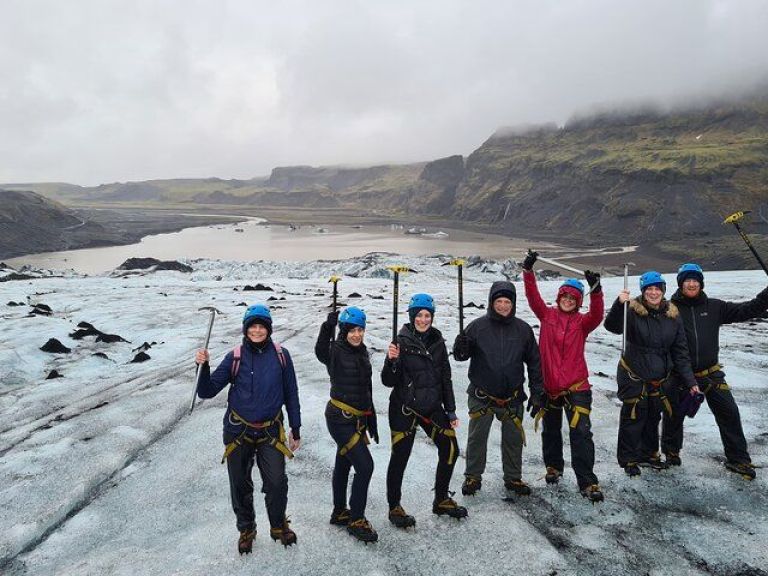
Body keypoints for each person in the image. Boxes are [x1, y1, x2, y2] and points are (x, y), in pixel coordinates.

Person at [195, 304, 301, 554]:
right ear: (245, 329)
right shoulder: (235, 356)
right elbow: (206, 391)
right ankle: (247, 529)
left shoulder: (282, 356)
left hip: (270, 431)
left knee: (276, 482)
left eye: (261, 326)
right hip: (238, 431)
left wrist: (295, 427)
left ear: (268, 329)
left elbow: (292, 394)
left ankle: (278, 525)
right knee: (240, 484)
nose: (256, 330)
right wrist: (203, 367)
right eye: (252, 326)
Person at [661, 263, 768, 479]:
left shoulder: (715, 307)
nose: (691, 284)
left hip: (711, 373)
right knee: (673, 415)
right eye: (687, 280)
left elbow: (748, 309)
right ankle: (671, 452)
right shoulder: (669, 309)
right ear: (680, 284)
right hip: (680, 374)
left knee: (729, 413)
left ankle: (738, 460)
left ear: (701, 283)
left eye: (695, 280)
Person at [521, 251, 605, 502]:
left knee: (581, 433)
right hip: (549, 388)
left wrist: (596, 290)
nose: (568, 300)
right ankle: (554, 467)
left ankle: (587, 482)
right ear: (559, 297)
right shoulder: (546, 315)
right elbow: (532, 295)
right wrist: (528, 270)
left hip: (576, 388)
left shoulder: (583, 323)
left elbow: (598, 315)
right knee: (551, 431)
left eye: (573, 298)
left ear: (579, 301)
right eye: (565, 296)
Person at [382, 293, 467, 528]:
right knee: (400, 457)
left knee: (450, 448)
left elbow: (445, 378)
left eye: (427, 315)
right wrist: (391, 361)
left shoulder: (438, 342)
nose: (423, 319)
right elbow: (388, 381)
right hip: (404, 408)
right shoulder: (400, 342)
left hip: (432, 407)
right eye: (419, 315)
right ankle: (394, 507)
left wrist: (450, 410)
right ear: (411, 316)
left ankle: (441, 499)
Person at [453, 280, 545, 497]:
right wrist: (460, 346)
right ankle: (473, 477)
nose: (503, 305)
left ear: (513, 303)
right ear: (491, 302)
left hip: (512, 396)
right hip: (482, 396)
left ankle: (513, 478)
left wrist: (537, 391)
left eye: (507, 301)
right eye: (499, 301)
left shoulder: (523, 330)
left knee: (513, 439)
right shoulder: (477, 327)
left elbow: (534, 362)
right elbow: (460, 356)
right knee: (477, 438)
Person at [604, 271, 700, 477]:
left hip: (660, 376)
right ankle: (629, 459)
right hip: (634, 375)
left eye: (657, 288)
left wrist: (690, 381)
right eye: (649, 289)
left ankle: (649, 454)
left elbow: (680, 352)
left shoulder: (672, 315)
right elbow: (612, 327)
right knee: (634, 416)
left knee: (653, 415)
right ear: (643, 291)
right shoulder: (631, 310)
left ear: (663, 290)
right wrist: (619, 304)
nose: (654, 292)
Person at [315, 306, 379, 542]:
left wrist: (371, 419)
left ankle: (340, 511)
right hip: (339, 418)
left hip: (358, 418)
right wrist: (326, 327)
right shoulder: (335, 350)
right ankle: (356, 519)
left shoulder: (362, 352)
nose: (356, 334)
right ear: (343, 331)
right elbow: (320, 350)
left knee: (344, 463)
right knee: (365, 466)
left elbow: (366, 389)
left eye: (360, 330)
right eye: (351, 330)